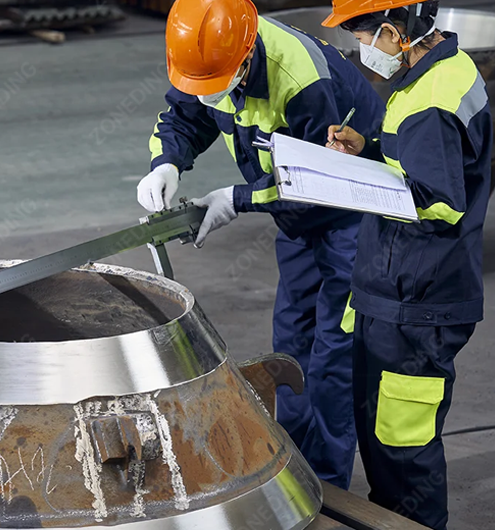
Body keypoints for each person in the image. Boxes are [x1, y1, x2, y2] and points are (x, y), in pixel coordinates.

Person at [137, 0, 384, 489]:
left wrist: (236, 200)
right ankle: (291, 470)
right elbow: (185, 114)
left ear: (247, 57)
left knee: (332, 359)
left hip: (353, 215)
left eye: (215, 85)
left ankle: (327, 488)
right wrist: (166, 162)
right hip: (296, 220)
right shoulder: (208, 59)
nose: (209, 95)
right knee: (291, 348)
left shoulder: (303, 82)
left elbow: (318, 179)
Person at [322, 1, 491, 528]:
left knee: (403, 457)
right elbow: (422, 160)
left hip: (416, 304)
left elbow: (440, 201)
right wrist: (370, 149)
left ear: (393, 32)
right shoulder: (441, 70)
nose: (363, 52)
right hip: (401, 293)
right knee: (387, 444)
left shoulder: (432, 101)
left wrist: (353, 186)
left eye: (363, 39)